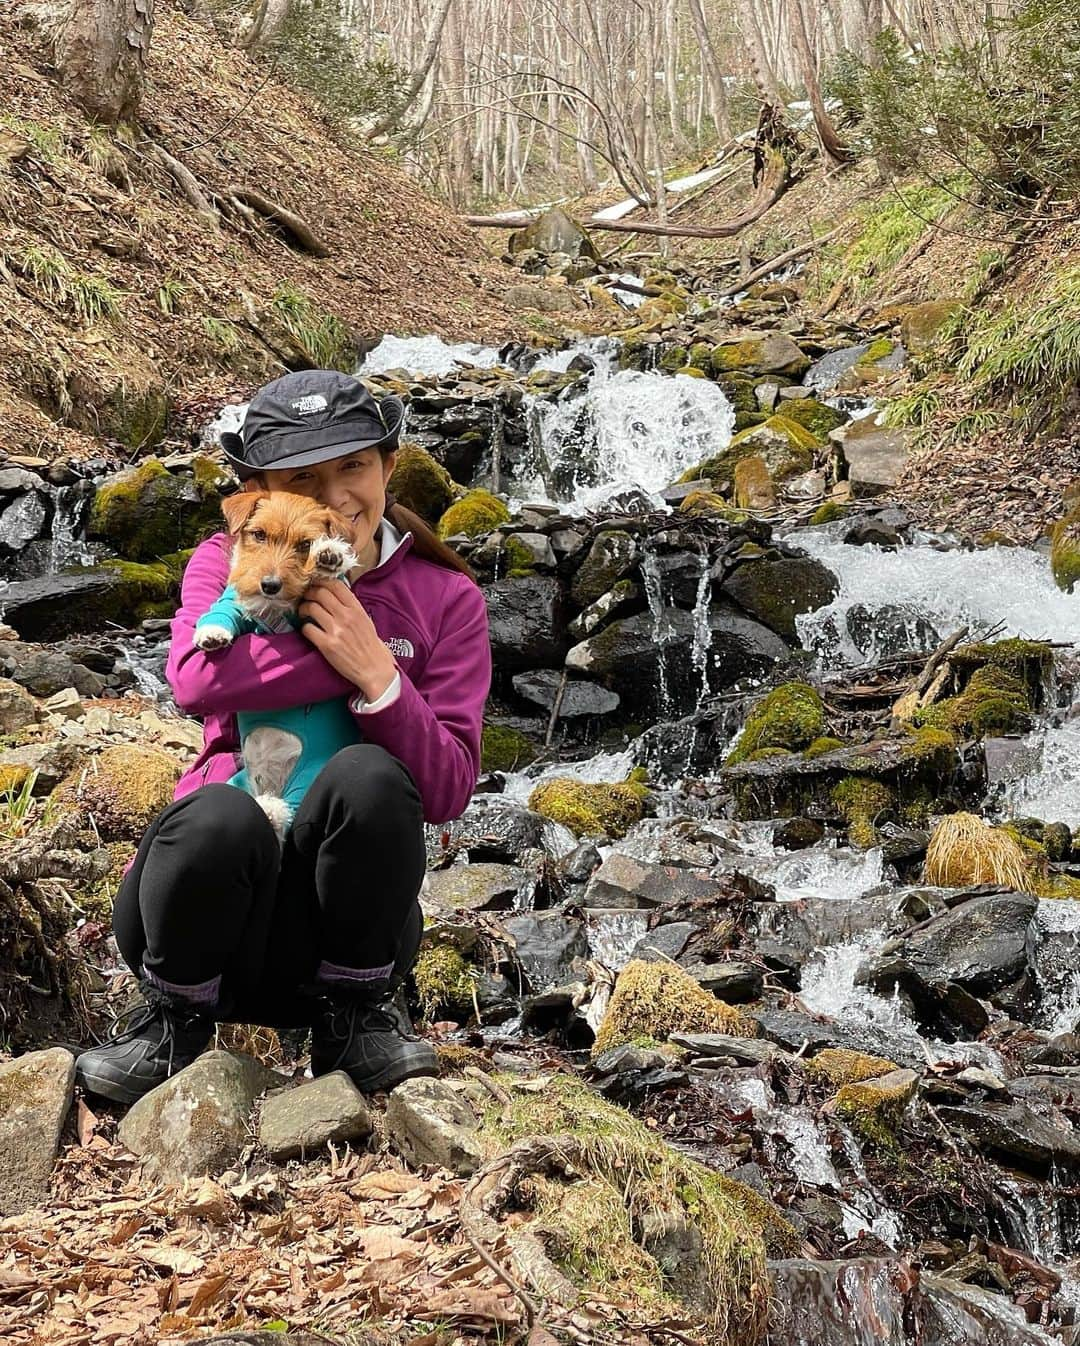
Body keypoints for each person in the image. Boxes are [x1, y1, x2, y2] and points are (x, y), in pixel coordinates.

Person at [75, 369, 492, 1105]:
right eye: (302, 476)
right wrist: (347, 659)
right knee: (219, 815)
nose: (334, 498)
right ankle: (169, 1023)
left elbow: (448, 788)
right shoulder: (228, 558)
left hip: (338, 938)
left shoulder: (445, 597)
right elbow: (197, 681)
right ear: (258, 489)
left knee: (368, 777)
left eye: (354, 467)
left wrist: (383, 679)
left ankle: (354, 1021)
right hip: (197, 920)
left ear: (391, 466)